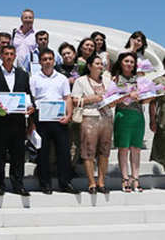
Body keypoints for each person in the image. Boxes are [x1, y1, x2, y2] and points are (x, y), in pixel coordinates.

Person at [0, 45, 32, 196]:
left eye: (12, 54)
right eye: (6, 54)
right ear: (1, 55)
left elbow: (28, 95)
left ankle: (18, 185)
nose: (9, 57)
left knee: (18, 155)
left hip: (18, 122)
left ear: (15, 55)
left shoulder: (23, 75)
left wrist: (31, 107)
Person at [30, 49, 77, 194]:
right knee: (43, 152)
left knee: (63, 151)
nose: (48, 61)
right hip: (41, 118)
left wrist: (69, 115)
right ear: (40, 62)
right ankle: (45, 184)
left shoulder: (62, 78)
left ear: (54, 61)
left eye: (50, 58)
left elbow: (67, 97)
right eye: (44, 59)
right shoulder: (34, 78)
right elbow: (32, 99)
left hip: (59, 118)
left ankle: (65, 183)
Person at [72, 55, 114, 194]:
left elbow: (115, 97)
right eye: (97, 63)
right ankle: (91, 183)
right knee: (88, 150)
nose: (100, 66)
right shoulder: (81, 81)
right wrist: (91, 99)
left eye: (101, 64)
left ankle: (101, 181)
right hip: (89, 117)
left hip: (106, 117)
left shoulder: (107, 81)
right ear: (89, 66)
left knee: (105, 150)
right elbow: (74, 100)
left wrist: (114, 100)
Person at [111, 51, 146, 192]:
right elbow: (111, 100)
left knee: (136, 149)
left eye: (132, 62)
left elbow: (147, 98)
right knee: (123, 148)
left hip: (137, 116)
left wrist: (145, 95)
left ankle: (136, 178)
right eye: (127, 61)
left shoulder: (139, 80)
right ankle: (125, 178)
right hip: (122, 115)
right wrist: (127, 95)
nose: (129, 64)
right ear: (121, 62)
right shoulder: (114, 80)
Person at [149, 66, 165, 169]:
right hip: (163, 122)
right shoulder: (158, 81)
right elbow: (152, 102)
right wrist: (152, 120)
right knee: (163, 154)